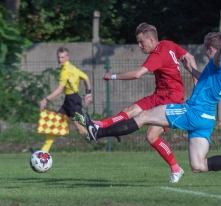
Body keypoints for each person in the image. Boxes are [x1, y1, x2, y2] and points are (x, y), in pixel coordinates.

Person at [81, 33, 221, 178]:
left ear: (210, 48)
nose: (205, 53)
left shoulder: (219, 62)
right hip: (207, 119)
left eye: (206, 50)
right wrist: (190, 69)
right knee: (198, 165)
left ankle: (98, 132)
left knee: (143, 116)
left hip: (192, 112)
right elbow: (208, 76)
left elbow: (217, 60)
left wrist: (220, 51)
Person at [76, 22, 198, 183]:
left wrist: (112, 76)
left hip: (172, 101)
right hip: (158, 95)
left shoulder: (157, 55)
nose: (139, 46)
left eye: (141, 42)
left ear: (152, 40)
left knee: (151, 136)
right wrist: (196, 84)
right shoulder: (168, 44)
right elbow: (190, 57)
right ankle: (98, 125)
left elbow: (137, 74)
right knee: (130, 109)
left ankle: (176, 169)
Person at [30, 47, 93, 153]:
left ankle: (103, 132)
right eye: (58, 57)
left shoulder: (65, 71)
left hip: (72, 102)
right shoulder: (73, 68)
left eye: (62, 57)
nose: (60, 59)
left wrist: (46, 99)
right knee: (55, 124)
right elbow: (86, 77)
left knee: (82, 130)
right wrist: (88, 93)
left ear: (68, 57)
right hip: (69, 101)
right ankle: (44, 151)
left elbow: (59, 90)